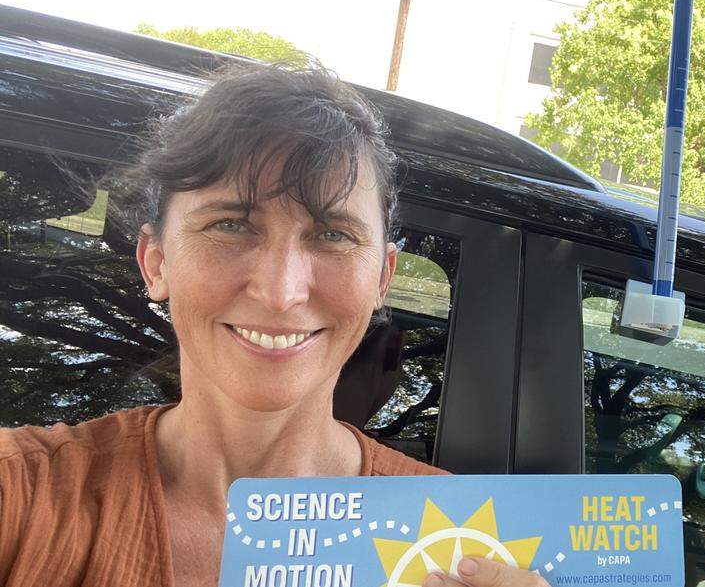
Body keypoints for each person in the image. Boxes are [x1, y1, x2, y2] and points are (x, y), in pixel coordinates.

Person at [0, 65, 549, 587]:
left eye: (334, 234)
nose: (282, 292)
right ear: (156, 262)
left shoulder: (472, 543)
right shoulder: (24, 493)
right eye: (231, 225)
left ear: (382, 278)